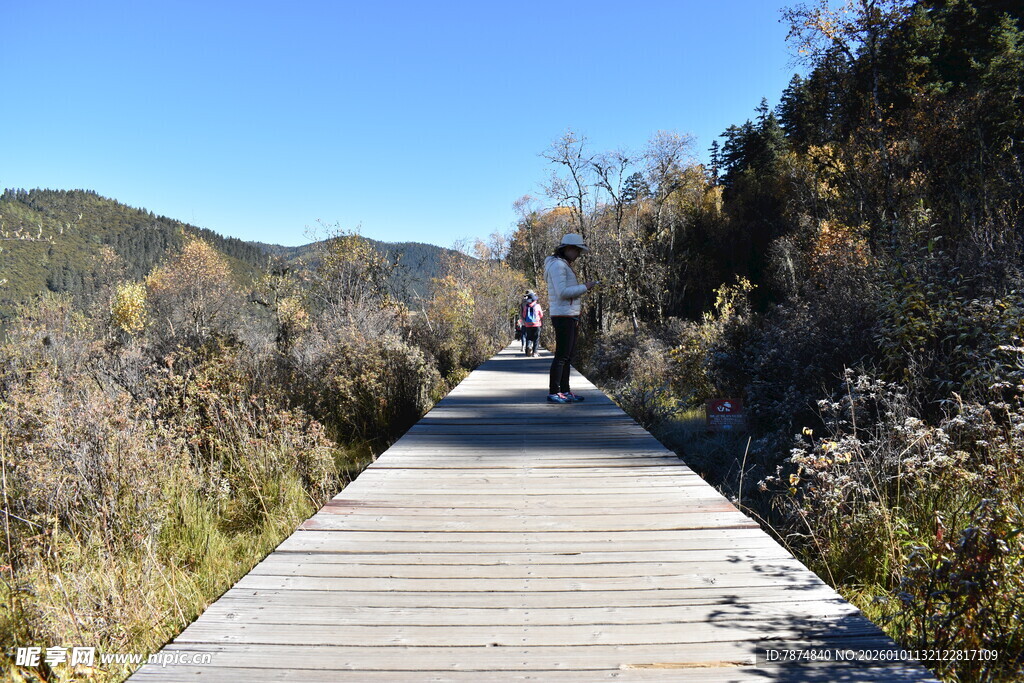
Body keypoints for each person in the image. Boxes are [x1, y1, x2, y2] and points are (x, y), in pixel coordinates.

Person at [543, 234, 598, 403]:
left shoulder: (561, 264)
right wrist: (585, 287)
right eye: (577, 250)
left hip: (568, 314)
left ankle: (565, 391)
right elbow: (562, 293)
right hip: (563, 315)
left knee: (567, 356)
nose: (578, 254)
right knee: (562, 355)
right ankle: (554, 392)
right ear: (567, 248)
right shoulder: (558, 265)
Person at [520, 290, 543, 356]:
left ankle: (528, 348)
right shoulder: (537, 306)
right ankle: (535, 352)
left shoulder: (526, 306)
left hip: (528, 324)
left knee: (528, 337)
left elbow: (524, 315)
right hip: (536, 324)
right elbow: (541, 315)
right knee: (536, 338)